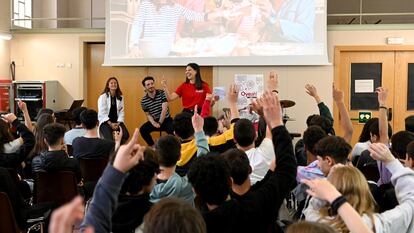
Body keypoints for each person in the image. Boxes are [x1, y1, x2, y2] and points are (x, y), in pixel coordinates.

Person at [187, 90, 297, 233]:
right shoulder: (258, 203)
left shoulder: (196, 225)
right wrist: (274, 121)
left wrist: (199, 132)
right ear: (229, 182)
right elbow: (286, 168)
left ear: (195, 190)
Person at [304, 143, 414, 233]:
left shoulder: (317, 224)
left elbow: (312, 209)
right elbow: (411, 200)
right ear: (364, 191)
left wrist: (329, 183)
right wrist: (391, 162)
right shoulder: (379, 225)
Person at [139, 76, 174, 147]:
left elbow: (164, 109)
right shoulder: (144, 101)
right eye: (148, 85)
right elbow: (148, 114)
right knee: (143, 129)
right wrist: (153, 122)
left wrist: (160, 122)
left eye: (152, 83)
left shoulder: (162, 93)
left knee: (173, 131)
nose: (151, 86)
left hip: (166, 120)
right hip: (155, 121)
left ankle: (174, 148)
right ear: (145, 87)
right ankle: (153, 146)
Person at [98, 77, 130, 143]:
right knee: (109, 140)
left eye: (115, 83)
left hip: (117, 122)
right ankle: (113, 151)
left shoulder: (120, 97)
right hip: (106, 122)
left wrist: (118, 123)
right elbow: (102, 113)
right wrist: (110, 124)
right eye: (111, 83)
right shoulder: (103, 97)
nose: (114, 84)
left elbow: (121, 111)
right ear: (108, 85)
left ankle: (118, 149)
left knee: (126, 135)